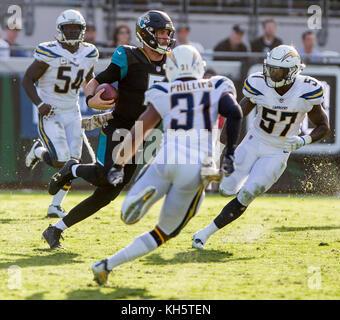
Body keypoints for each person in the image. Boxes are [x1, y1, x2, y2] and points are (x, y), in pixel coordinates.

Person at [90, 45, 243, 285]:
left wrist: (119, 163)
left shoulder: (164, 89)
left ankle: (111, 255)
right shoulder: (216, 85)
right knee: (164, 232)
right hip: (195, 168)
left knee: (126, 215)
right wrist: (230, 154)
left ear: (170, 69)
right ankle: (106, 266)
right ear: (199, 66)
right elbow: (235, 112)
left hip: (165, 159)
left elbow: (141, 127)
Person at [41, 10, 176, 249]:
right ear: (146, 34)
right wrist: (92, 98)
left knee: (109, 193)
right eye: (161, 33)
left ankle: (55, 230)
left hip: (145, 134)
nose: (165, 38)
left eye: (167, 33)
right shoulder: (128, 55)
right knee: (105, 175)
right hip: (120, 127)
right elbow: (97, 80)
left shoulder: (174, 62)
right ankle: (72, 168)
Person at [192, 45, 330, 249]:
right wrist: (221, 150)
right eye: (270, 68)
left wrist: (304, 140)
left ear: (292, 72)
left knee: (248, 194)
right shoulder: (259, 83)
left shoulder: (307, 89)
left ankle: (203, 234)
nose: (272, 74)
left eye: (278, 71)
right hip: (254, 141)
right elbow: (236, 115)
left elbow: (324, 126)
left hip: (278, 151)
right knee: (225, 189)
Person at [22, 9, 98, 218]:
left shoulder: (89, 52)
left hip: (72, 110)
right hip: (51, 110)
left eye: (77, 28)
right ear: (60, 30)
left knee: (73, 162)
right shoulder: (49, 52)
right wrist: (39, 104)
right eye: (68, 28)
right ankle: (38, 151)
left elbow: (89, 78)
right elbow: (27, 79)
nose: (73, 32)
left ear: (82, 31)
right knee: (61, 160)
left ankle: (55, 206)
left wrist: (96, 95)